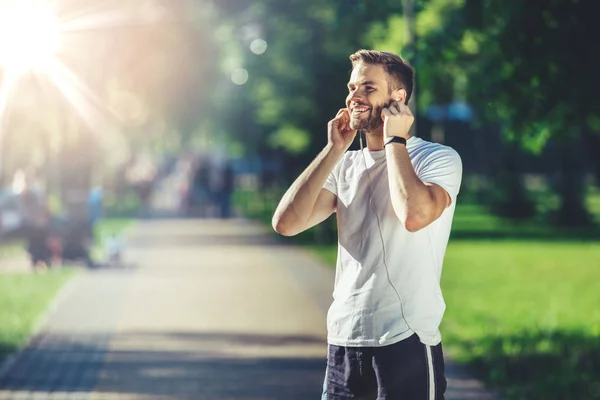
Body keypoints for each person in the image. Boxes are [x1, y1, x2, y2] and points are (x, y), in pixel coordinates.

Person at [271, 50, 462, 399]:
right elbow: (286, 223)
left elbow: (414, 215)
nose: (354, 96)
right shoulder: (345, 166)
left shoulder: (436, 158)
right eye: (352, 86)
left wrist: (395, 140)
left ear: (397, 98)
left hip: (405, 340)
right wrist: (333, 150)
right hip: (344, 341)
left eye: (368, 87)